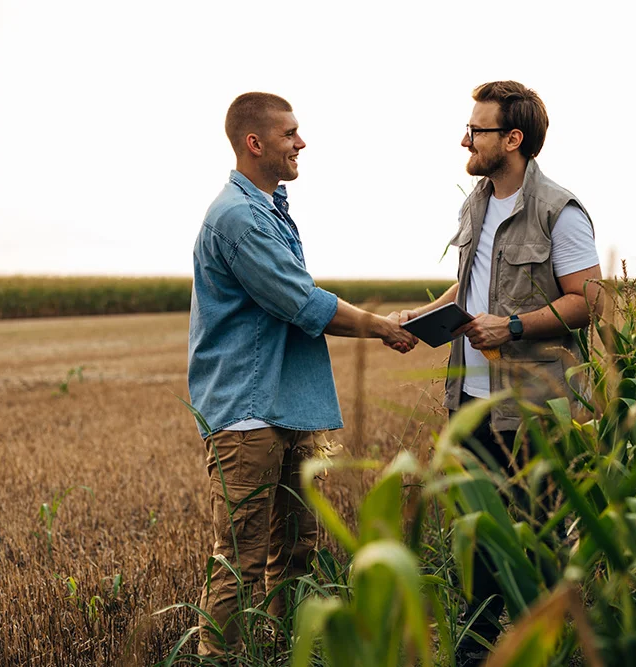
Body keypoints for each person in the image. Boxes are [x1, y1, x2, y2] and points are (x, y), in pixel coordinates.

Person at [188, 92, 417, 658]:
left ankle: (282, 650)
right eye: (291, 133)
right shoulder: (239, 218)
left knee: (297, 549)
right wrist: (381, 327)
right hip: (248, 414)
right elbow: (299, 302)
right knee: (240, 558)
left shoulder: (267, 208)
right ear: (254, 143)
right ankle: (219, 659)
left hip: (286, 406)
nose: (301, 142)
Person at [399, 80, 602, 662]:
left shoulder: (559, 212)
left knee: (537, 548)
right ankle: (475, 654)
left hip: (534, 410)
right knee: (478, 543)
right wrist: (424, 315)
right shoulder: (477, 202)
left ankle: (544, 650)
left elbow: (588, 301)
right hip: (470, 405)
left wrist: (510, 327)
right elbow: (468, 285)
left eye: (477, 129)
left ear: (512, 139)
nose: (464, 138)